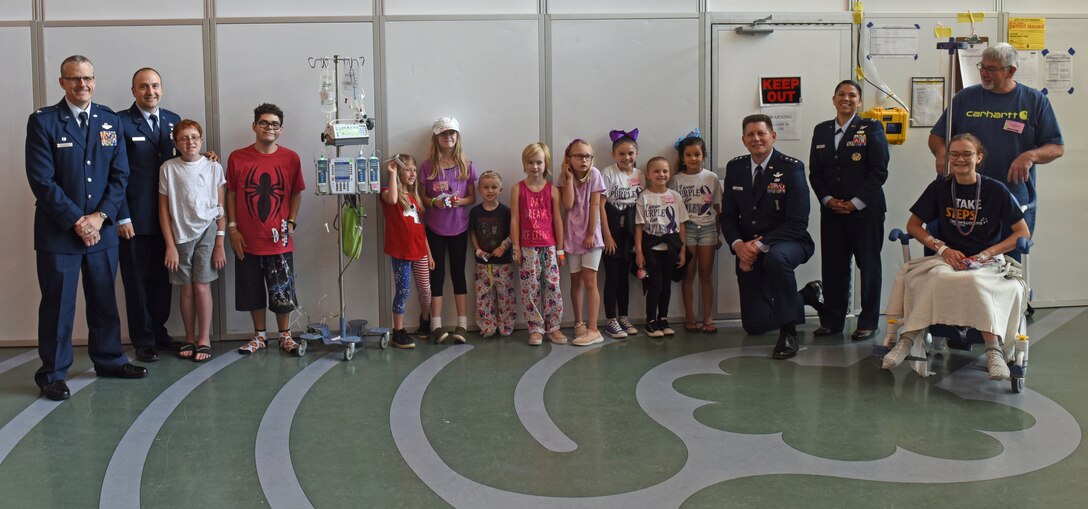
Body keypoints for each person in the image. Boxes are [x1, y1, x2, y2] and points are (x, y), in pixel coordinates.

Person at [25, 54, 148, 401]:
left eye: (88, 79)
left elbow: (120, 174)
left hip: (102, 231)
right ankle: (52, 373)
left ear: (95, 81)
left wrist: (100, 217)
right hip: (58, 233)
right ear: (62, 82)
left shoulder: (109, 120)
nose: (83, 85)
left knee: (104, 300)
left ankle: (109, 359)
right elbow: (42, 180)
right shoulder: (44, 122)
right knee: (58, 305)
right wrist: (78, 221)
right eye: (75, 79)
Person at [882, 134, 1030, 381]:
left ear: (979, 158)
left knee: (975, 282)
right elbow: (914, 225)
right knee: (935, 278)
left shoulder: (995, 190)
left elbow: (1022, 232)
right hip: (947, 259)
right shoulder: (939, 188)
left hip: (986, 261)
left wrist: (987, 253)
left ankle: (993, 351)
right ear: (948, 158)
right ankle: (906, 340)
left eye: (967, 154)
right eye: (955, 154)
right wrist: (941, 249)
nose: (961, 159)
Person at [118, 67, 213, 362]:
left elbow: (186, 156)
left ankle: (159, 332)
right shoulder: (119, 122)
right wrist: (121, 216)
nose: (150, 92)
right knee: (136, 281)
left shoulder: (172, 120)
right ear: (133, 90)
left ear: (162, 89)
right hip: (134, 218)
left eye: (155, 86)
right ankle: (143, 339)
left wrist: (207, 158)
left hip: (172, 221)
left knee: (163, 280)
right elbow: (114, 173)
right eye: (143, 86)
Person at [929, 42, 1063, 236]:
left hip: (1011, 197)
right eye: (982, 66)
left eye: (991, 69)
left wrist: (1030, 156)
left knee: (1010, 261)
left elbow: (1056, 147)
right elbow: (937, 136)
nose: (983, 73)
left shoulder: (1034, 101)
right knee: (962, 259)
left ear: (1011, 71)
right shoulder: (965, 97)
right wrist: (941, 153)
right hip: (964, 198)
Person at [720, 114, 820, 360]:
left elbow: (798, 221)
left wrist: (759, 244)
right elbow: (728, 216)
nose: (756, 139)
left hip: (790, 242)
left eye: (761, 133)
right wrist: (738, 246)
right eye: (750, 135)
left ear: (773, 136)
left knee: (776, 258)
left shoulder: (791, 167)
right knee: (754, 325)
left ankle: (788, 331)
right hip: (748, 247)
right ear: (743, 140)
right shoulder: (736, 168)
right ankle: (806, 296)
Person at [808, 80, 890, 341]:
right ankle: (833, 320)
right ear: (833, 99)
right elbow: (815, 173)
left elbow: (879, 171)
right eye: (841, 95)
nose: (846, 99)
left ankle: (867, 322)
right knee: (834, 267)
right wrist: (828, 199)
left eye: (852, 95)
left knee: (868, 266)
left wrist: (854, 203)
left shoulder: (871, 128)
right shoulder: (821, 131)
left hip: (866, 212)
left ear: (860, 101)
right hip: (832, 212)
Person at [225, 103, 305, 355]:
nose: (269, 127)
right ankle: (259, 336)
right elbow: (232, 193)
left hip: (279, 238)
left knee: (282, 289)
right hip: (246, 238)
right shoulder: (237, 157)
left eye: (274, 124)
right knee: (251, 289)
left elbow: (295, 193)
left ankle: (285, 335)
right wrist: (232, 227)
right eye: (263, 123)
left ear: (280, 130)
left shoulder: (291, 158)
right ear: (254, 126)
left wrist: (291, 221)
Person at [158, 120, 226, 362]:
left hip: (207, 231)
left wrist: (219, 242)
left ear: (201, 139)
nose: (190, 142)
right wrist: (170, 245)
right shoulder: (168, 168)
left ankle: (204, 339)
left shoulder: (214, 167)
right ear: (176, 143)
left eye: (195, 137)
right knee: (185, 288)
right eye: (184, 138)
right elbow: (164, 210)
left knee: (201, 285)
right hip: (180, 235)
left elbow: (220, 207)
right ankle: (189, 337)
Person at [420, 117, 476, 344]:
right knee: (436, 275)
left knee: (458, 274)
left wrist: (459, 201)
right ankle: (436, 324)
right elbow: (421, 197)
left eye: (452, 133)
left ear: (457, 137)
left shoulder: (466, 165)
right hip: (434, 229)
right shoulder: (427, 166)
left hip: (459, 229)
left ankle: (462, 324)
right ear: (437, 137)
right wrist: (435, 203)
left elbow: (472, 197)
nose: (448, 137)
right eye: (444, 134)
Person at [510, 142, 566, 346]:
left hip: (549, 247)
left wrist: (560, 248)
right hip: (527, 248)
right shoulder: (518, 189)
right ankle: (535, 328)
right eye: (531, 162)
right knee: (530, 288)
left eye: (539, 162)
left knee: (552, 287)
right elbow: (515, 219)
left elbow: (558, 220)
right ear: (525, 163)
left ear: (546, 164)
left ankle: (554, 327)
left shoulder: (553, 191)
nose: (535, 167)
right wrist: (516, 247)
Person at [669, 130, 723, 334]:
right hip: (686, 230)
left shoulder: (712, 178)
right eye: (688, 155)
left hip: (708, 229)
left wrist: (719, 233)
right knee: (688, 274)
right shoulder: (675, 180)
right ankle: (690, 316)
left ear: (704, 156)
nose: (693, 158)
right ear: (682, 157)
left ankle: (708, 317)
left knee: (706, 275)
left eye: (697, 154)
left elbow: (718, 208)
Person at [380, 154, 433, 349]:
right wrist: (392, 174)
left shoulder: (415, 197)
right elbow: (393, 200)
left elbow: (420, 228)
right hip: (401, 252)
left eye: (414, 170)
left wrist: (429, 254)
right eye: (407, 169)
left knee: (425, 290)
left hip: (420, 251)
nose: (412, 173)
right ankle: (398, 331)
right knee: (403, 291)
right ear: (398, 170)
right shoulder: (387, 191)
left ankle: (425, 321)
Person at [559, 139, 606, 346]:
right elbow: (568, 204)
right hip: (572, 236)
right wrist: (569, 179)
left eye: (587, 156)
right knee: (575, 281)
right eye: (578, 156)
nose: (584, 160)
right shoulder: (564, 177)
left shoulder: (595, 175)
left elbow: (595, 205)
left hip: (591, 237)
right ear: (569, 159)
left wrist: (590, 235)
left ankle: (594, 329)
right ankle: (579, 323)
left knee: (590, 281)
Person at [635, 157, 688, 338]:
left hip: (671, 247)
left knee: (667, 285)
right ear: (648, 175)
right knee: (655, 285)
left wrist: (682, 250)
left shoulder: (675, 196)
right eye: (656, 171)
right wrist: (639, 252)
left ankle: (663, 318)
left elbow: (681, 225)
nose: (661, 174)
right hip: (652, 249)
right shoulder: (644, 197)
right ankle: (650, 321)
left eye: (665, 171)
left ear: (670, 173)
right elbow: (639, 227)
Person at [599, 129, 643, 339]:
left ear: (637, 153)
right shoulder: (607, 173)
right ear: (613, 155)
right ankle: (610, 319)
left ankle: (624, 316)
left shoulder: (640, 175)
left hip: (631, 230)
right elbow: (601, 206)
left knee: (625, 276)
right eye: (622, 154)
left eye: (631, 153)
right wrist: (606, 235)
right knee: (612, 276)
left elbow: (642, 205)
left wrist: (637, 239)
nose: (627, 158)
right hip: (612, 228)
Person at [469, 171, 516, 338]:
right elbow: (473, 232)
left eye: (494, 187)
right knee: (483, 296)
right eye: (486, 187)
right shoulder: (475, 212)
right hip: (482, 264)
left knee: (506, 296)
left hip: (503, 263)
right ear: (479, 190)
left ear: (501, 189)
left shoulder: (506, 212)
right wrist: (477, 249)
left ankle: (506, 325)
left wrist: (503, 247)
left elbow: (513, 232)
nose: (490, 191)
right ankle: (487, 326)